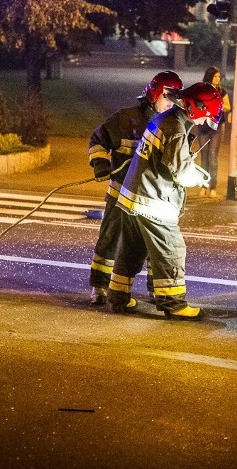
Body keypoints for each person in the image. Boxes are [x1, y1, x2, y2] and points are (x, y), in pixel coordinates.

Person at [107, 82, 223, 321]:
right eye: (205, 116)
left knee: (131, 250)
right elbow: (180, 171)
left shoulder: (166, 119)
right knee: (172, 249)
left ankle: (118, 295)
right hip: (153, 202)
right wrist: (200, 176)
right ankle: (174, 303)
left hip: (132, 198)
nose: (204, 123)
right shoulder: (176, 128)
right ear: (196, 108)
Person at [87, 71, 182, 305]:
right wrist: (100, 163)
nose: (170, 103)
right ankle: (100, 286)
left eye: (174, 98)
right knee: (110, 240)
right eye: (166, 97)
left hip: (152, 201)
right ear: (152, 94)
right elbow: (98, 139)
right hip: (121, 196)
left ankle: (155, 289)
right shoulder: (125, 119)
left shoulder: (173, 126)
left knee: (154, 248)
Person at [192, 66, 231, 198]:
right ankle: (204, 185)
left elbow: (228, 107)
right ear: (209, 77)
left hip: (218, 127)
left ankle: (212, 187)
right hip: (203, 127)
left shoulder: (222, 91)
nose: (218, 79)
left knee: (213, 157)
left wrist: (218, 103)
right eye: (215, 76)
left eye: (219, 76)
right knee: (204, 157)